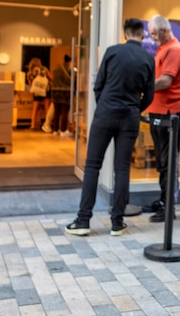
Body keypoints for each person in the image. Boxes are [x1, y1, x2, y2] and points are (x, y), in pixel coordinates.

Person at [65, 19, 155, 236]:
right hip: (130, 117)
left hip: (105, 114)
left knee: (92, 166)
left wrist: (104, 104)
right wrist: (135, 108)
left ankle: (83, 220)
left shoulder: (113, 52)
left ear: (125, 33)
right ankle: (117, 222)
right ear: (142, 35)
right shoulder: (148, 58)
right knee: (122, 168)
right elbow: (149, 95)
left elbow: (99, 85)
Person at [145, 15, 180, 223]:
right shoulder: (163, 48)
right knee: (162, 162)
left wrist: (142, 87)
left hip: (169, 112)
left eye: (154, 33)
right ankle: (163, 200)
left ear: (163, 30)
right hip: (158, 110)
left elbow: (165, 81)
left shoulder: (174, 49)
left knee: (168, 162)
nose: (152, 38)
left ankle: (169, 206)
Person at [49, 55, 73, 138]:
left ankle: (55, 130)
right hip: (66, 92)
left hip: (55, 92)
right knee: (64, 112)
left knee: (57, 112)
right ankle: (63, 130)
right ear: (70, 62)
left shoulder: (56, 69)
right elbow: (73, 80)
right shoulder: (70, 70)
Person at [26, 57, 52, 131]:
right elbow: (51, 78)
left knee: (35, 110)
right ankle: (47, 125)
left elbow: (31, 85)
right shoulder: (44, 69)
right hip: (46, 91)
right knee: (47, 109)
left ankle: (32, 125)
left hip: (36, 93)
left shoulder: (30, 73)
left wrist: (35, 89)